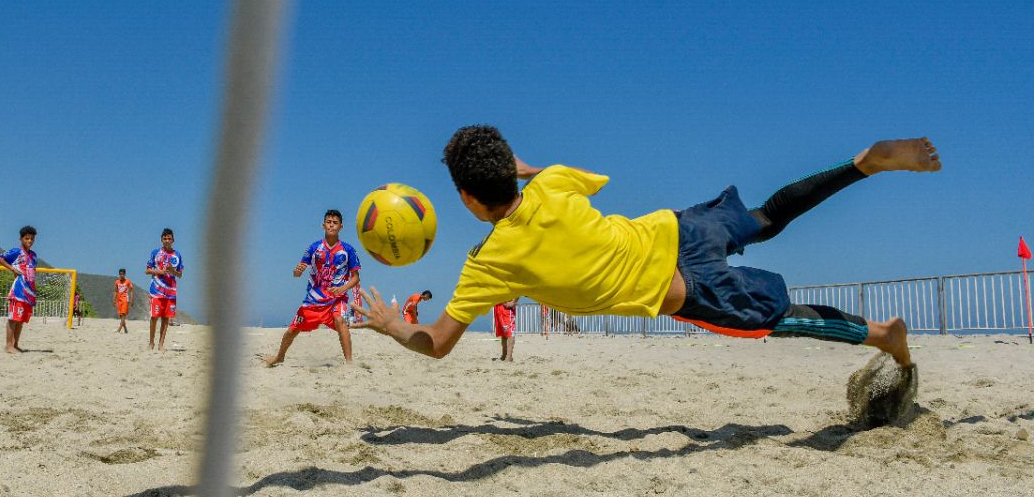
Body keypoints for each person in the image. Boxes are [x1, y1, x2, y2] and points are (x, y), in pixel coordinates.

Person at [354, 125, 940, 372]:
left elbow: (436, 344)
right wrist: (517, 166)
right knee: (766, 216)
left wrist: (388, 324)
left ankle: (883, 334)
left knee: (778, 321)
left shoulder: (489, 263)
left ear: (464, 199)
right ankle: (862, 165)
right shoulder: (554, 180)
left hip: (683, 291)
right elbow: (531, 171)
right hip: (677, 229)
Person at [262, 209, 361, 367]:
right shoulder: (314, 248)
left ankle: (349, 363)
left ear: (341, 227)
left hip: (337, 299)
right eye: (329, 222)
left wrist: (342, 288)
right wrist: (297, 271)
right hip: (313, 300)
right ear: (323, 225)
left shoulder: (348, 250)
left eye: (335, 223)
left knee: (340, 320)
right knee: (292, 330)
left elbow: (356, 278)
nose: (331, 225)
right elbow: (296, 273)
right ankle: (279, 356)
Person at [0, 225, 38, 354]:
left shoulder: (34, 256)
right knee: (13, 318)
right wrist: (12, 269)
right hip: (18, 290)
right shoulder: (17, 251)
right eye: (27, 238)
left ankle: (15, 344)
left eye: (32, 239)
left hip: (29, 291)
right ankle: (8, 345)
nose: (29, 241)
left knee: (21, 320)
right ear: (21, 239)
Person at [146, 228, 183, 351]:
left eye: (169, 238)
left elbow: (180, 275)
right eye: (165, 238)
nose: (167, 240)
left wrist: (172, 270)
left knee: (166, 318)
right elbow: (147, 270)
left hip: (170, 291)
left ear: (173, 240)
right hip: (156, 290)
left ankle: (161, 344)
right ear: (162, 239)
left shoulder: (177, 255)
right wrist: (160, 271)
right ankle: (151, 343)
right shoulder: (155, 252)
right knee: (154, 317)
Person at [113, 268, 132, 333]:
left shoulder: (128, 282)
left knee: (124, 314)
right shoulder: (117, 282)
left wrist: (132, 300)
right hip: (119, 300)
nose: (121, 275)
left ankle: (119, 329)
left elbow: (131, 291)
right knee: (121, 316)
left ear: (125, 274)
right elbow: (115, 291)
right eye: (120, 274)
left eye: (122, 274)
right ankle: (125, 329)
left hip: (125, 299)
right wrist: (114, 300)